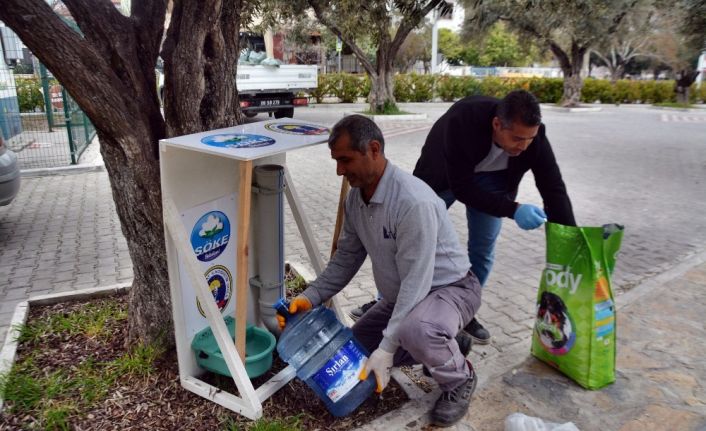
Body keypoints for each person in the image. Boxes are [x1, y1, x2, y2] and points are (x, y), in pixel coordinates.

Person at [277, 115, 482, 427]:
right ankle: (445, 345)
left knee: (414, 331)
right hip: (404, 298)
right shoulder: (355, 201)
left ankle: (459, 378)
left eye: (345, 160)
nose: (339, 171)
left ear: (373, 149)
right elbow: (346, 259)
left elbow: (417, 282)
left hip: (451, 290)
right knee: (353, 351)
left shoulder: (413, 201)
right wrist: (310, 297)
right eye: (336, 161)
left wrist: (388, 348)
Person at [411, 89, 576, 344]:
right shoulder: (463, 120)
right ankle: (385, 303)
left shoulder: (534, 137)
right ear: (497, 124)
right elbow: (463, 187)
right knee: (414, 237)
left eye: (529, 139)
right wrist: (513, 209)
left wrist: (569, 240)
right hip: (444, 175)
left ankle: (463, 310)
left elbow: (553, 186)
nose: (524, 146)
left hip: (493, 182)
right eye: (518, 138)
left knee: (483, 249)